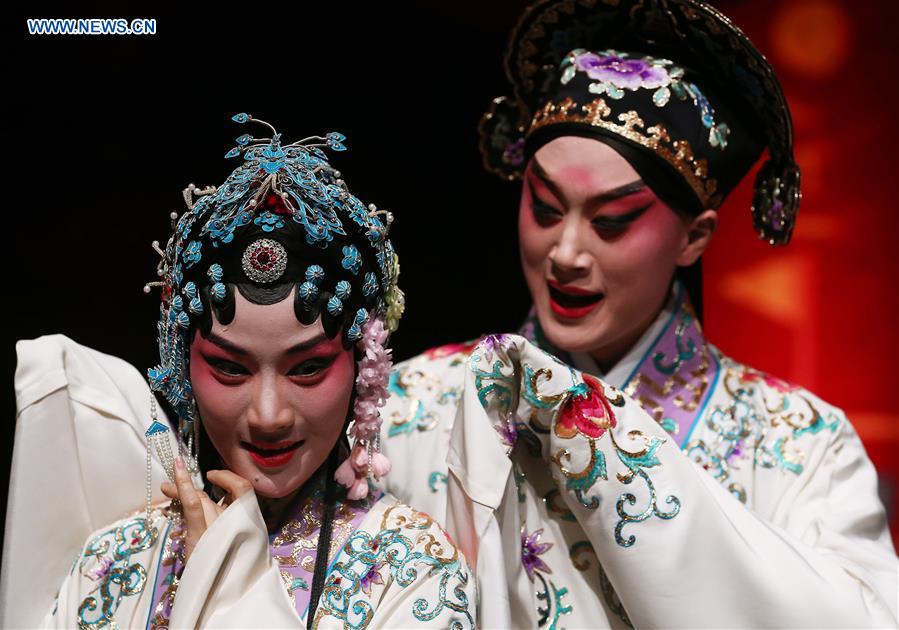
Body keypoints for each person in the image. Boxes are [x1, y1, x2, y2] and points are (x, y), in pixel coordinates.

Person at [378, 1, 898, 627]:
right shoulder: (405, 407)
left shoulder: (801, 445)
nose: (565, 253)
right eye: (544, 208)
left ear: (694, 238)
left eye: (612, 222)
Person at [3, 115, 475, 629]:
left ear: (364, 366)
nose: (268, 415)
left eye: (309, 368)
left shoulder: (414, 572)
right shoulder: (116, 563)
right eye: (230, 368)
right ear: (184, 368)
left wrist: (228, 589)